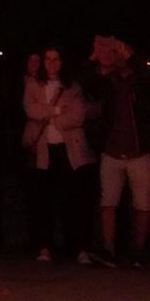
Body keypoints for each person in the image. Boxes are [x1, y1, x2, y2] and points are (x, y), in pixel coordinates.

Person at [23, 46, 94, 264]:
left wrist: (50, 116)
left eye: (56, 59)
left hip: (68, 149)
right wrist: (56, 111)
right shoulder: (34, 85)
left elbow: (77, 116)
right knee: (43, 200)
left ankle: (77, 246)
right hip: (44, 149)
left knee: (72, 199)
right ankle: (44, 246)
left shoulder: (72, 87)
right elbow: (30, 109)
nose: (52, 63)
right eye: (48, 59)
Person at [88, 37, 149, 267]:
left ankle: (139, 251)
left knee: (143, 204)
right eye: (115, 53)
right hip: (111, 151)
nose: (117, 56)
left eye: (120, 52)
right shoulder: (107, 82)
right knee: (108, 202)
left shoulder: (141, 81)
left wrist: (129, 55)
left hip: (139, 152)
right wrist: (95, 56)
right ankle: (108, 249)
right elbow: (88, 84)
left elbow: (144, 73)